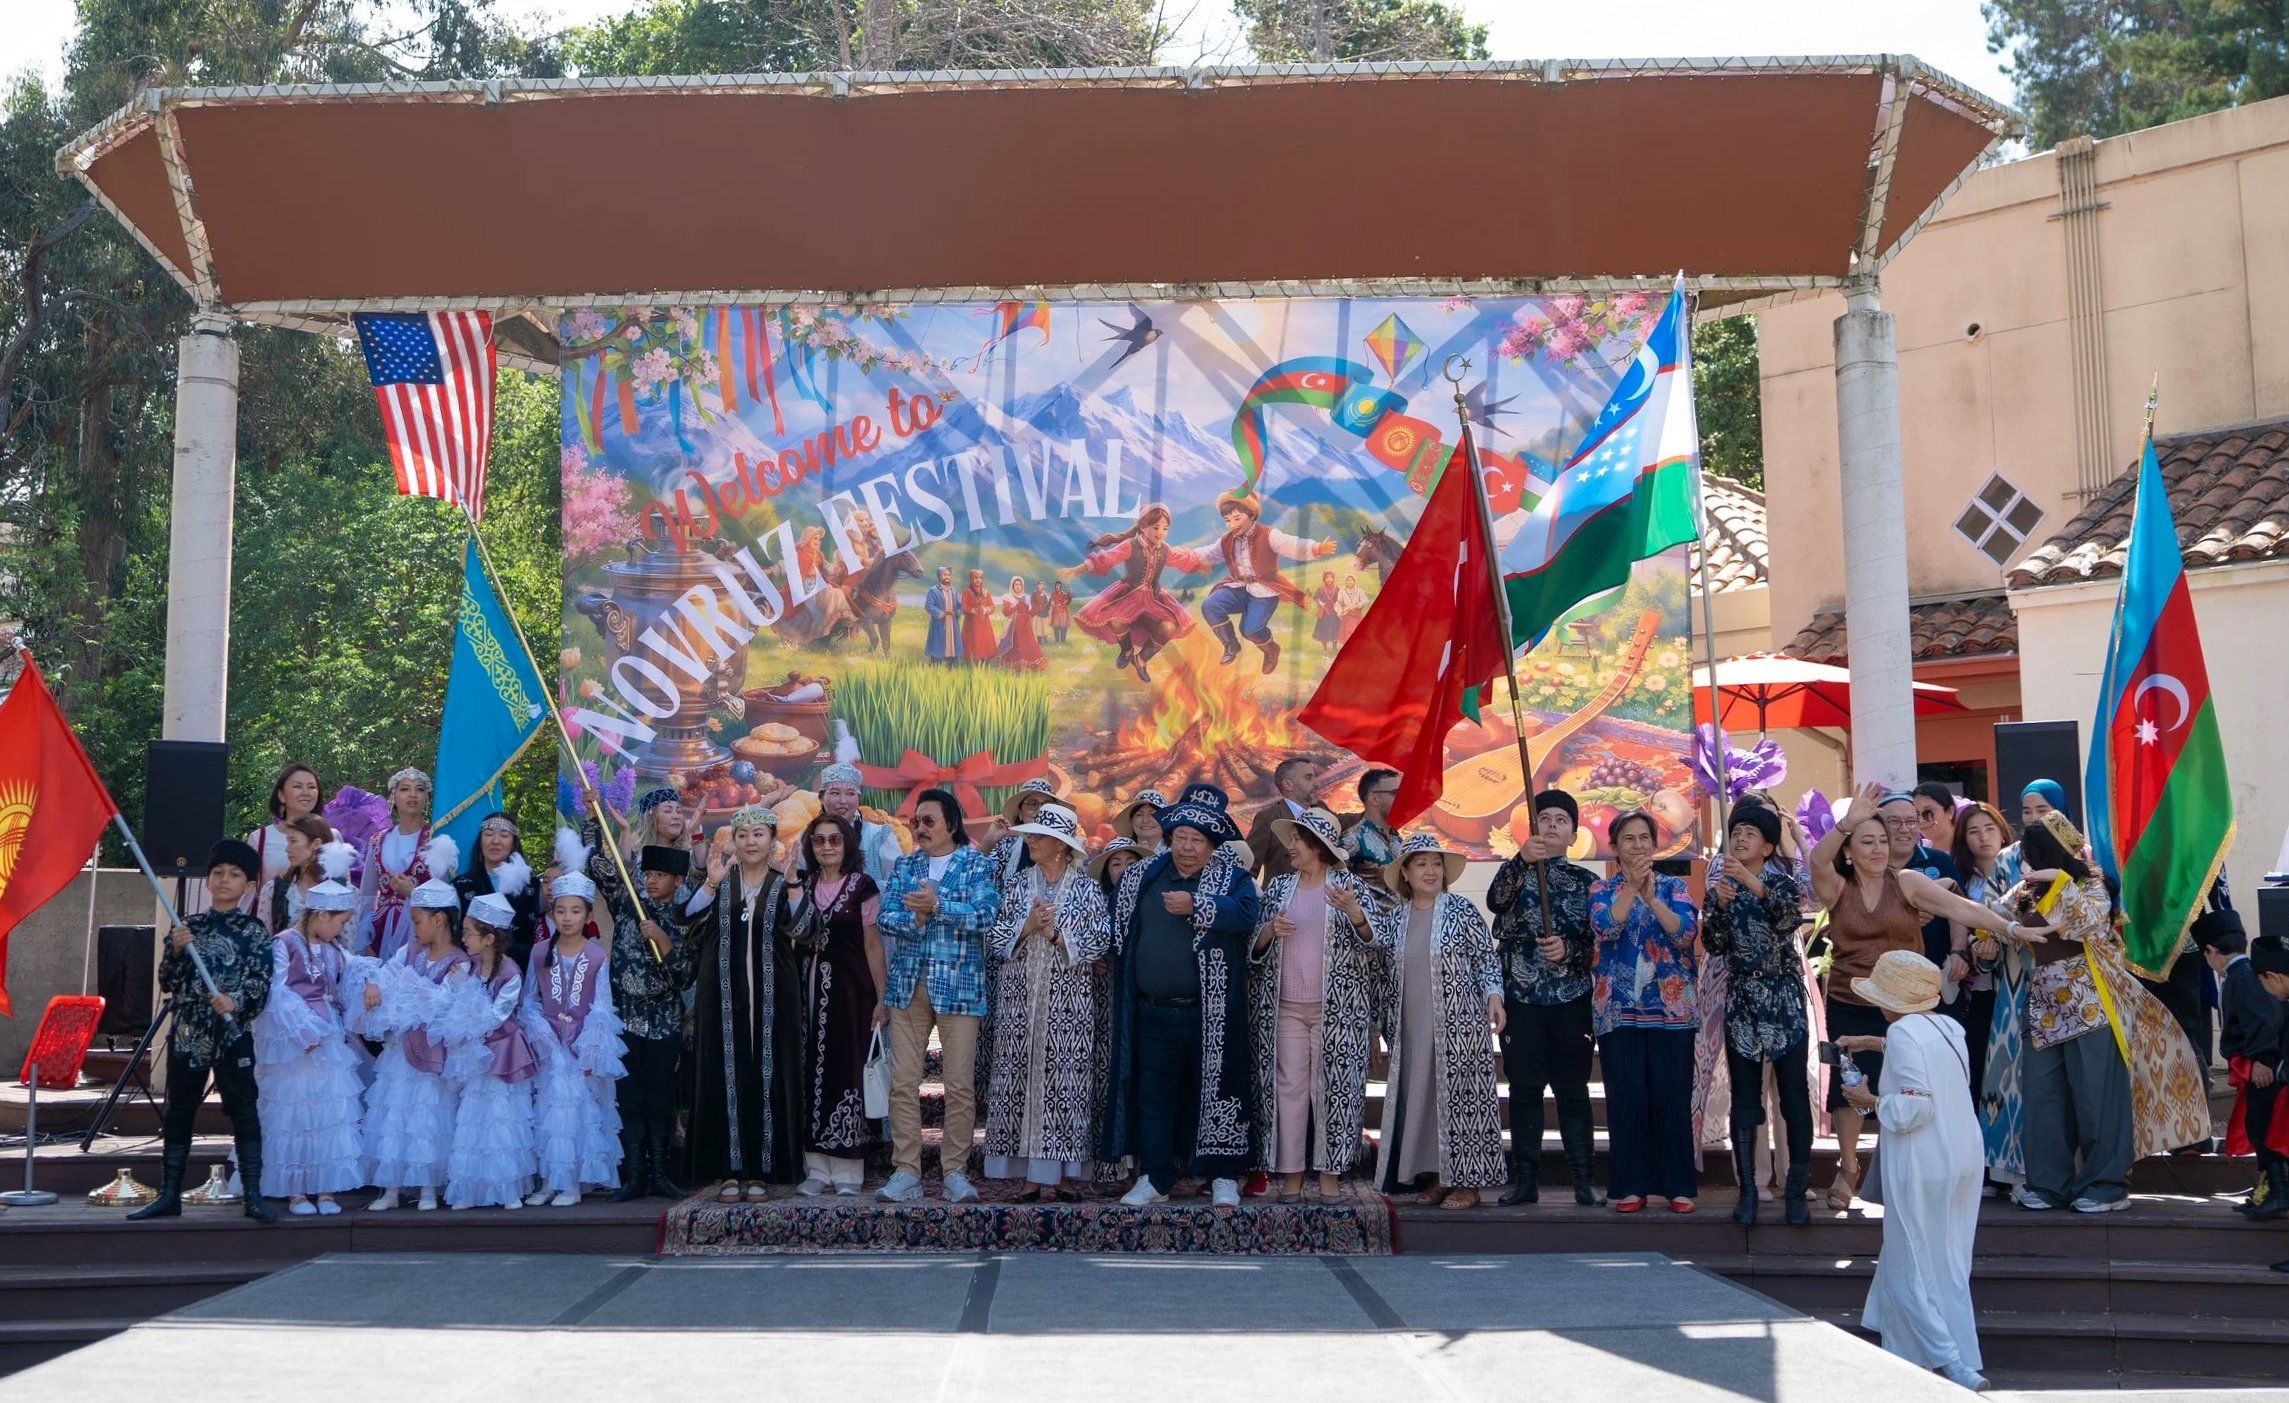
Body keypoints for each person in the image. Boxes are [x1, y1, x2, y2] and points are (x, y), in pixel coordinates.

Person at [1809, 783, 2023, 1209]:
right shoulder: (1837, 888)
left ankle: (1912, 1172)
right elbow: (1817, 858)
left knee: (1910, 1086)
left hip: (1905, 1003)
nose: (1877, 849)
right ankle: (1849, 1166)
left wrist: (2013, 929)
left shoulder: (1907, 881)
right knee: (1850, 1085)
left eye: (1883, 841)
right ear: (1849, 850)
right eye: (1866, 842)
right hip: (1849, 998)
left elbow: (1962, 909)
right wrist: (1848, 821)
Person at [2000, 812, 2209, 1212]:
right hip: (2044, 1008)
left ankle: (2105, 1183)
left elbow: (2086, 925)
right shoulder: (2026, 889)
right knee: (2044, 1100)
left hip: (2092, 1006)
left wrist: (2061, 883)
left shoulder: (2094, 886)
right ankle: (2049, 1184)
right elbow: (1997, 916)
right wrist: (1981, 932)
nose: (2032, 858)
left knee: (2098, 1098)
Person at [1102, 785, 1261, 1207]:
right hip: (1151, 1011)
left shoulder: (1232, 877)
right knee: (1153, 1094)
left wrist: (1199, 906)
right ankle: (1156, 1177)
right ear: (1169, 838)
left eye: (1199, 841)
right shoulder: (1142, 876)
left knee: (1221, 1089)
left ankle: (1222, 1174)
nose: (1188, 847)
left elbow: (1248, 915)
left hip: (1212, 1012)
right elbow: (1118, 931)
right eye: (1182, 838)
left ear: (1212, 846)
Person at [1841, 951, 1988, 1392]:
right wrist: (1873, 1042)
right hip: (1963, 1155)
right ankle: (1919, 1355)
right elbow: (1926, 1058)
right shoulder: (1949, 1027)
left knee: (1909, 1266)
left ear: (1891, 1000)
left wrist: (1868, 1102)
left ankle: (1949, 1361)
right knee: (1946, 1262)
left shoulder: (1903, 1033)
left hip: (1924, 1158)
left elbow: (1913, 1108)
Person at [130, 840, 279, 1223]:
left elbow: (261, 984)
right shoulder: (188, 927)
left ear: (248, 886)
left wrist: (236, 1001)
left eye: (234, 875)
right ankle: (169, 1194)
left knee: (244, 1111)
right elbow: (168, 980)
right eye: (218, 873)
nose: (224, 880)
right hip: (188, 1032)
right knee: (179, 1111)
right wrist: (177, 951)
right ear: (208, 880)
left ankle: (252, 1195)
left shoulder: (255, 931)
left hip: (232, 1033)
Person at [1250, 808, 1391, 1201]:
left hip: (1339, 1012)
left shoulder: (1348, 887)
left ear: (1318, 847)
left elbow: (1376, 942)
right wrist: (1268, 932)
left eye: (1297, 840)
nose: (1290, 846)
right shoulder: (1279, 887)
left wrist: (1355, 914)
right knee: (1289, 1090)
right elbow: (1254, 946)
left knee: (1335, 1090)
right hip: (1287, 1008)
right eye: (1292, 839)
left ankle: (1330, 1174)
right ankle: (1291, 1174)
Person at [876, 788, 1001, 1203]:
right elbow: (886, 918)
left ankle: (955, 1171)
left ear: (951, 822)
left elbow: (986, 916)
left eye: (928, 821)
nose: (919, 828)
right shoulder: (905, 865)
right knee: (903, 1084)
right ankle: (906, 1170)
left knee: (960, 1086)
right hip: (908, 986)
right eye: (916, 821)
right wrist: (915, 917)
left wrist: (939, 904)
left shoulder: (977, 864)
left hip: (960, 988)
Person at [983, 803, 1112, 1200]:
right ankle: (1032, 1177)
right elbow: (995, 936)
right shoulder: (1020, 884)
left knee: (1065, 1082)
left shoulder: (1087, 887)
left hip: (1068, 1005)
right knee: (1022, 1078)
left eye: (1039, 837)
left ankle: (1065, 1174)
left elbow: (1100, 939)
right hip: (1020, 1001)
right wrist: (1026, 927)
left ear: (1060, 845)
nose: (1031, 842)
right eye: (1030, 836)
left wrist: (1056, 935)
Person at [1375, 833, 1505, 1209]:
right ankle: (1436, 1177)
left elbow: (1486, 960)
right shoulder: (1394, 920)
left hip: (1460, 1025)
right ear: (1405, 873)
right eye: (1420, 864)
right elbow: (1381, 971)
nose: (1430, 871)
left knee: (1464, 1100)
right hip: (1411, 1028)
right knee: (1423, 1099)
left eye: (1436, 863)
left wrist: (1494, 996)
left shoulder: (1461, 910)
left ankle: (1468, 1183)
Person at [1486, 789, 1601, 1207]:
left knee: (1573, 1090)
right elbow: (1494, 900)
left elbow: (1602, 943)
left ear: (1573, 834)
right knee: (1524, 1089)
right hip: (1523, 997)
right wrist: (1521, 860)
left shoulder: (1589, 883)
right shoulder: (1514, 873)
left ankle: (1583, 1179)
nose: (1552, 825)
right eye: (1544, 818)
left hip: (1571, 999)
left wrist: (1569, 952)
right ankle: (1525, 1179)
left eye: (1561, 820)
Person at [682, 806, 803, 1200]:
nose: (750, 842)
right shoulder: (722, 883)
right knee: (727, 1076)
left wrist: (794, 884)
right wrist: (710, 886)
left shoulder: (781, 882)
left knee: (767, 1076)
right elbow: (686, 920)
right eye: (743, 835)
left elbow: (807, 929)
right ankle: (730, 1169)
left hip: (773, 1000)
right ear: (733, 841)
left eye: (758, 834)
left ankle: (764, 1170)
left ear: (772, 840)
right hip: (723, 1000)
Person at [1701, 803, 1810, 1226]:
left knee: (1793, 1097)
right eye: (1736, 832)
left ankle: (1796, 1189)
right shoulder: (1721, 889)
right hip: (1743, 999)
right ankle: (1747, 1189)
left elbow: (1787, 920)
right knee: (1745, 1100)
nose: (1741, 838)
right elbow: (1712, 943)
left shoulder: (1781, 883)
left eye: (1750, 833)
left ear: (1767, 846)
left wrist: (1754, 886)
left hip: (1783, 998)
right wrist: (1721, 906)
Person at [1590, 810, 1703, 1213]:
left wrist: (1651, 895)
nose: (1637, 846)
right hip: (1618, 1009)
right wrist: (1631, 890)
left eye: (1644, 838)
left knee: (1672, 1096)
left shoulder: (1674, 887)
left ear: (1654, 845)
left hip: (1673, 1009)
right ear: (1615, 847)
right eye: (1628, 839)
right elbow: (1605, 928)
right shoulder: (1601, 888)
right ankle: (1631, 1185)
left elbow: (1685, 933)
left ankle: (1678, 1186)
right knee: (1628, 1098)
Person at [250, 841, 366, 1217]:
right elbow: (276, 992)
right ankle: (297, 1189)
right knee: (296, 1112)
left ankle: (326, 1188)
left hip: (329, 1038)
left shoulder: (334, 951)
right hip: (295, 1043)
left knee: (329, 1112)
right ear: (318, 915)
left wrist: (371, 987)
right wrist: (304, 1031)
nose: (340, 930)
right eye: (338, 922)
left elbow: (356, 973)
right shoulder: (283, 944)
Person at [517, 831, 625, 1207]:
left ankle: (574, 1182)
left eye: (575, 911)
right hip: (550, 1046)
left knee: (578, 1113)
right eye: (560, 910)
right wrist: (542, 1033)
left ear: (588, 916)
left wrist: (590, 1047)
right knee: (548, 1112)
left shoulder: (596, 956)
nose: (567, 917)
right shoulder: (538, 952)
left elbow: (602, 1004)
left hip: (581, 1049)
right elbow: (529, 1000)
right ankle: (549, 1179)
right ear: (552, 912)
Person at [354, 863, 470, 1213]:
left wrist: (415, 994)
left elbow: (448, 1007)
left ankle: (428, 1186)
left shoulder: (459, 962)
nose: (413, 927)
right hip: (400, 1054)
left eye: (417, 920)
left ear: (439, 920)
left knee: (428, 1117)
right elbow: (386, 972)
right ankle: (390, 1188)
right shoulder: (409, 952)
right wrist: (373, 984)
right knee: (395, 1115)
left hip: (433, 1057)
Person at [594, 833, 700, 1202]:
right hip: (624, 1022)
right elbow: (601, 870)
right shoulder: (628, 904)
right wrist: (594, 823)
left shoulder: (684, 921)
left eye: (659, 875)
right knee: (630, 1098)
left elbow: (685, 978)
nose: (651, 880)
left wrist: (666, 945)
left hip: (663, 1024)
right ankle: (634, 1176)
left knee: (660, 1100)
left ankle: (660, 1174)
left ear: (677, 880)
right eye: (647, 873)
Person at [786, 812, 887, 1196]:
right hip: (807, 996)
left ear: (847, 844)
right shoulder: (801, 885)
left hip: (851, 995)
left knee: (847, 1072)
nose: (826, 847)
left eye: (834, 840)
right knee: (811, 1072)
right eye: (818, 840)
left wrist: (882, 998)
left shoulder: (863, 886)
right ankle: (816, 1168)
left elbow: (873, 944)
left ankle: (847, 1170)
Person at [437, 891, 539, 1211]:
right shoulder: (467, 968)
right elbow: (450, 1002)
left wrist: (464, 990)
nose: (463, 938)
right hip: (474, 1055)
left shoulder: (510, 973)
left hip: (502, 1053)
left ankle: (506, 1187)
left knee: (501, 1119)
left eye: (469, 932)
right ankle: (470, 1187)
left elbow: (495, 1017)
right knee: (473, 1119)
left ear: (489, 937)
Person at [1955, 801, 2029, 1198]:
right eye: (1973, 831)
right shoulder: (1963, 883)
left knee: (2015, 1081)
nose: (1982, 837)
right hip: (1980, 996)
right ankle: (1987, 1167)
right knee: (1983, 1083)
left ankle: (2016, 1167)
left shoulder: (2027, 872)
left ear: (2003, 831)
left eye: (1989, 828)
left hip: (2020, 995)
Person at [1061, 502, 1214, 684]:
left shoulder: (1164, 549)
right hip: (1129, 594)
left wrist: (1199, 565)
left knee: (1169, 626)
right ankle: (1126, 650)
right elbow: (1107, 558)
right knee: (1116, 620)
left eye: (1165, 528)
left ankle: (1141, 660)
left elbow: (1181, 559)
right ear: (1142, 526)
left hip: (1154, 599)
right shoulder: (1130, 546)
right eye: (1156, 527)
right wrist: (1076, 570)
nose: (1160, 532)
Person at [1198, 491, 1335, 674]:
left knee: (1249, 630)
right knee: (1210, 605)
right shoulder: (1227, 540)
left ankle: (1271, 649)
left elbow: (1291, 544)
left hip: (1264, 591)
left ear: (1252, 515)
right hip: (1238, 587)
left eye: (1237, 518)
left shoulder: (1269, 535)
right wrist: (1181, 556)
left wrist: (1316, 548)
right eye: (1227, 520)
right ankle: (1231, 645)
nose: (1232, 525)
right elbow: (1207, 553)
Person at [2203, 918, 2284, 1217]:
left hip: (2261, 1067)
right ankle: (2268, 1188)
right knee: (2257, 1125)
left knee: (2265, 1128)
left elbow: (2265, 1018)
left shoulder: (2244, 977)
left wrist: (2262, 1059)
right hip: (2251, 1064)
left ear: (2211, 950)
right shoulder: (2241, 975)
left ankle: (2278, 1190)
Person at [1887, 790, 1971, 1037]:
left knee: (1942, 1045)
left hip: (1938, 978)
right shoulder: (1870, 863)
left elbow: (1957, 908)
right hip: (1888, 982)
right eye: (1895, 823)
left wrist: (1958, 950)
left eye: (1911, 821)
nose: (1905, 829)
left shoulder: (1939, 861)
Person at [353, 768, 437, 959]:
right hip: (380, 930)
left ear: (427, 799)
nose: (413, 795)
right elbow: (367, 896)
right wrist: (365, 939)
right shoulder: (377, 841)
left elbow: (444, 897)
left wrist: (414, 894)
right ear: (393, 796)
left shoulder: (436, 841)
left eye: (420, 789)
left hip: (420, 932)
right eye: (405, 789)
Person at [239, 762, 335, 922]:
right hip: (273, 928)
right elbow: (246, 892)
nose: (306, 792)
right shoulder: (260, 838)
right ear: (281, 795)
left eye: (312, 787)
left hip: (322, 930)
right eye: (297, 786)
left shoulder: (333, 836)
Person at [455, 813, 540, 973]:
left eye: (504, 835)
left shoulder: (532, 886)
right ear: (480, 842)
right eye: (488, 834)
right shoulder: (461, 885)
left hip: (519, 971)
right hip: (470, 973)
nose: (495, 841)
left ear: (514, 843)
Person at [813, 762, 907, 891]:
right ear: (821, 798)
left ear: (858, 799)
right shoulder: (807, 838)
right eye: (835, 793)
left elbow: (900, 884)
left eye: (850, 794)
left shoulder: (878, 836)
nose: (843, 801)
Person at [1246, 756, 1323, 884]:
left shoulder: (1322, 813)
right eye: (1308, 777)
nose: (1317, 783)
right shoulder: (1268, 818)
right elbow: (1248, 869)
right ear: (1288, 784)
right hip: (1281, 901)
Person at [262, 814, 334, 935]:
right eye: (288, 841)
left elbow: (347, 948)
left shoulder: (342, 892)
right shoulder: (274, 889)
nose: (287, 849)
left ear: (316, 844)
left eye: (293, 841)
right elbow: (263, 942)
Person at [1338, 768, 1402, 888]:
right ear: (1374, 798)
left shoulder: (1397, 840)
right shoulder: (1353, 838)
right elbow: (1333, 881)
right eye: (1396, 793)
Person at [998, 575, 1048, 670]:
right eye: (1016, 584)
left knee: (1028, 643)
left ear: (1022, 586)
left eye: (1020, 584)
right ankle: (1015, 664)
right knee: (1017, 644)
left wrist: (1038, 607)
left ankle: (1028, 663)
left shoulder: (1025, 598)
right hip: (1014, 627)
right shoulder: (1007, 597)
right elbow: (1005, 612)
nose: (1018, 586)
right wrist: (1016, 606)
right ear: (1012, 586)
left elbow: (1029, 614)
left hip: (1026, 626)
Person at [960, 568, 1000, 662]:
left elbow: (992, 606)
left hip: (984, 623)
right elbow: (964, 606)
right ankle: (971, 661)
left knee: (984, 642)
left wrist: (987, 609)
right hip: (971, 623)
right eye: (976, 578)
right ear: (971, 579)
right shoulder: (967, 591)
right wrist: (971, 609)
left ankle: (984, 660)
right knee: (972, 642)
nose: (978, 580)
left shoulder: (985, 592)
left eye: (980, 578)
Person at [1112, 790, 1168, 858]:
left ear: (1164, 819)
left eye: (1152, 814)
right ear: (1131, 821)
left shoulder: (1176, 853)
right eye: (1139, 815)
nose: (1145, 820)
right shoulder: (1122, 854)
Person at [923, 565, 961, 664]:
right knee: (938, 646)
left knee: (953, 645)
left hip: (952, 624)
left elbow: (959, 605)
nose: (947, 577)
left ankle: (952, 667)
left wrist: (957, 612)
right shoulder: (933, 591)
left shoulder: (954, 590)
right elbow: (929, 605)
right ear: (939, 576)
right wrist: (941, 613)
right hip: (939, 623)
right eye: (944, 575)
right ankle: (936, 666)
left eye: (949, 575)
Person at [1334, 573, 1370, 646]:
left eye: (1352, 580)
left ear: (1354, 581)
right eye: (1348, 580)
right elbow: (1338, 603)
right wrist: (1341, 611)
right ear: (1345, 582)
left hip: (1357, 614)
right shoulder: (1341, 592)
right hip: (1347, 614)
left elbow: (1365, 600)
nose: (1350, 582)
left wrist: (1358, 605)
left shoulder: (1359, 590)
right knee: (1349, 630)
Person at [1312, 571, 1341, 653]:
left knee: (1335, 630)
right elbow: (1315, 597)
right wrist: (1320, 602)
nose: (1329, 579)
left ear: (1333, 579)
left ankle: (1334, 648)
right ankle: (1325, 649)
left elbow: (1341, 599)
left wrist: (1338, 604)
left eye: (1331, 577)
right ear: (1324, 579)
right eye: (1327, 578)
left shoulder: (1337, 588)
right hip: (1324, 613)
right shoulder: (1320, 589)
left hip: (1334, 613)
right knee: (1323, 631)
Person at [1047, 578, 1073, 645]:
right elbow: (1050, 602)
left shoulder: (1064, 595)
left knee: (1063, 626)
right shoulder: (1052, 594)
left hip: (1063, 612)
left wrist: (1070, 595)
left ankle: (1063, 640)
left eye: (1058, 585)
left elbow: (1068, 601)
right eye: (1056, 585)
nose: (1057, 587)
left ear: (1060, 586)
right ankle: (1057, 640)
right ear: (1055, 586)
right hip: (1055, 612)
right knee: (1055, 626)